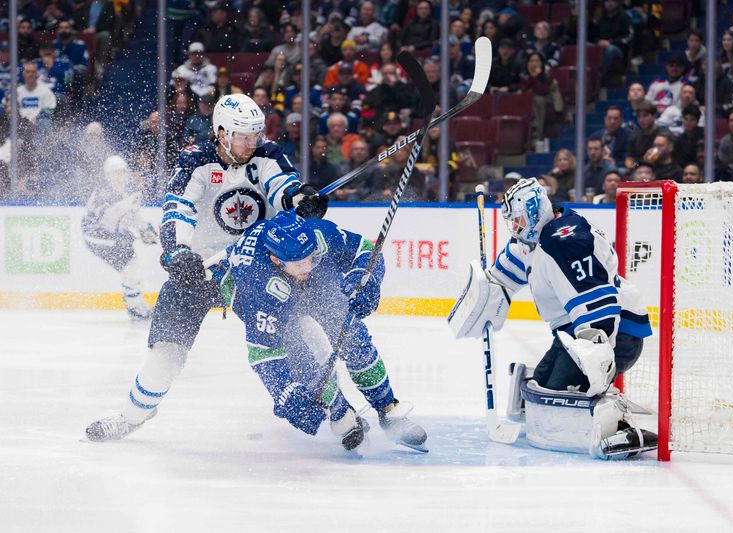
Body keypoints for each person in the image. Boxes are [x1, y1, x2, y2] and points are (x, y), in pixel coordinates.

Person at [85, 94, 329, 442]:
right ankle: (131, 416)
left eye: (255, 134)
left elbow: (282, 188)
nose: (252, 142)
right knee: (167, 353)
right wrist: (177, 253)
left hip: (256, 270)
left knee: (297, 333)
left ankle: (336, 408)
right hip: (200, 269)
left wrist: (299, 198)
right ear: (221, 133)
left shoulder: (269, 154)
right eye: (244, 135)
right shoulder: (194, 159)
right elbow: (178, 209)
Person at [448, 178, 655, 459]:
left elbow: (600, 309)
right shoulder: (535, 237)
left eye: (518, 220)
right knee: (541, 388)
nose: (515, 228)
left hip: (617, 334)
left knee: (560, 395)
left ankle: (616, 421)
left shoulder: (565, 243)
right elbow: (501, 277)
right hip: (574, 334)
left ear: (534, 212)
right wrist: (483, 294)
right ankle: (576, 390)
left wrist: (597, 362)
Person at [226, 211, 428, 452]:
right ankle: (342, 415)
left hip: (306, 286)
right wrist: (285, 393)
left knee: (353, 338)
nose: (308, 266)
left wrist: (364, 277)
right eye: (300, 262)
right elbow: (264, 353)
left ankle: (388, 409)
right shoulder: (259, 285)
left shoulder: (320, 236)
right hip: (259, 297)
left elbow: (366, 250)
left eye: (311, 257)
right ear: (276, 260)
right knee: (301, 360)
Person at [81, 155, 159, 320]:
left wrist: (144, 228)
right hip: (97, 238)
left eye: (121, 172)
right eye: (114, 173)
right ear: (108, 176)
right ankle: (134, 306)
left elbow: (134, 217)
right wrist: (122, 236)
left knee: (132, 265)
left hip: (112, 237)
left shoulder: (131, 192)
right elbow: (94, 225)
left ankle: (134, 303)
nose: (119, 176)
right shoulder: (103, 196)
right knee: (131, 265)